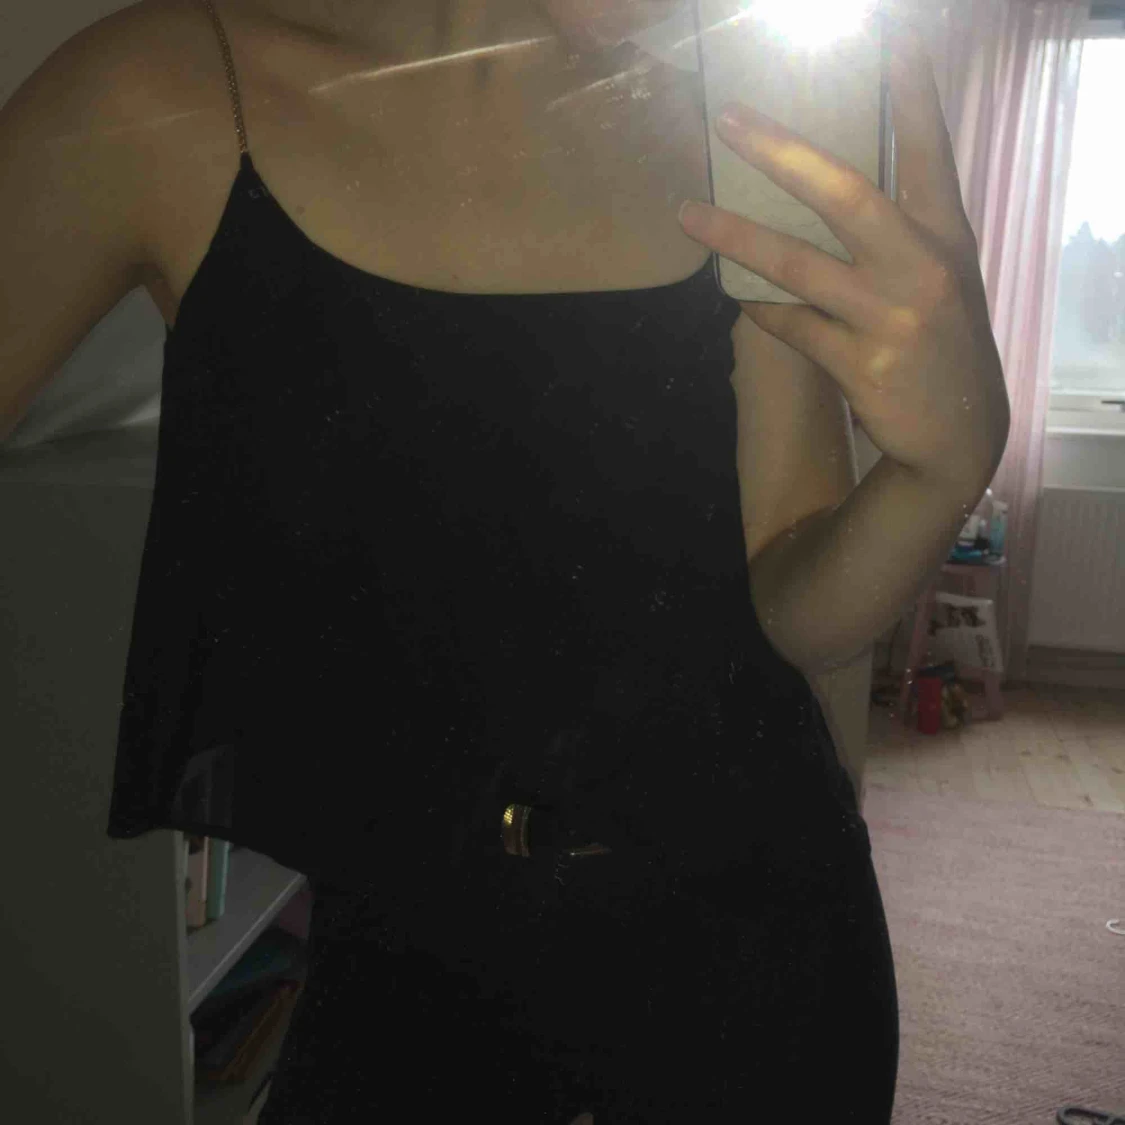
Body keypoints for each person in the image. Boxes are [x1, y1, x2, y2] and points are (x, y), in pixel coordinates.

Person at [1, 0, 1009, 1120]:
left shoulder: (731, 129)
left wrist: (938, 473)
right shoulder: (169, 91)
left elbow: (792, 599)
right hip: (403, 963)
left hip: (762, 944)